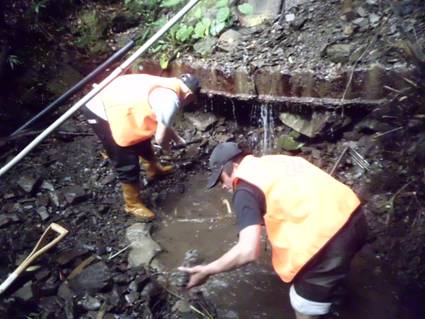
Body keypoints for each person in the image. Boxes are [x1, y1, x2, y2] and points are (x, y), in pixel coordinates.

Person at [179, 142, 368, 319]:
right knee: (333, 276)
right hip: (354, 215)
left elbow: (248, 252)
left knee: (303, 305)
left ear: (233, 167)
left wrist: (207, 270)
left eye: (221, 179)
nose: (225, 186)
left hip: (329, 239)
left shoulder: (244, 187)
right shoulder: (275, 161)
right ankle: (334, 296)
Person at [82, 73, 201, 222]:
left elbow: (162, 120)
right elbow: (160, 137)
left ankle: (153, 169)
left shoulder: (168, 86)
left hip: (121, 105)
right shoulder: (171, 100)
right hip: (100, 110)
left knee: (141, 135)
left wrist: (176, 138)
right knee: (125, 157)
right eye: (191, 101)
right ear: (189, 95)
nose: (188, 103)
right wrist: (167, 149)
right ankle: (132, 204)